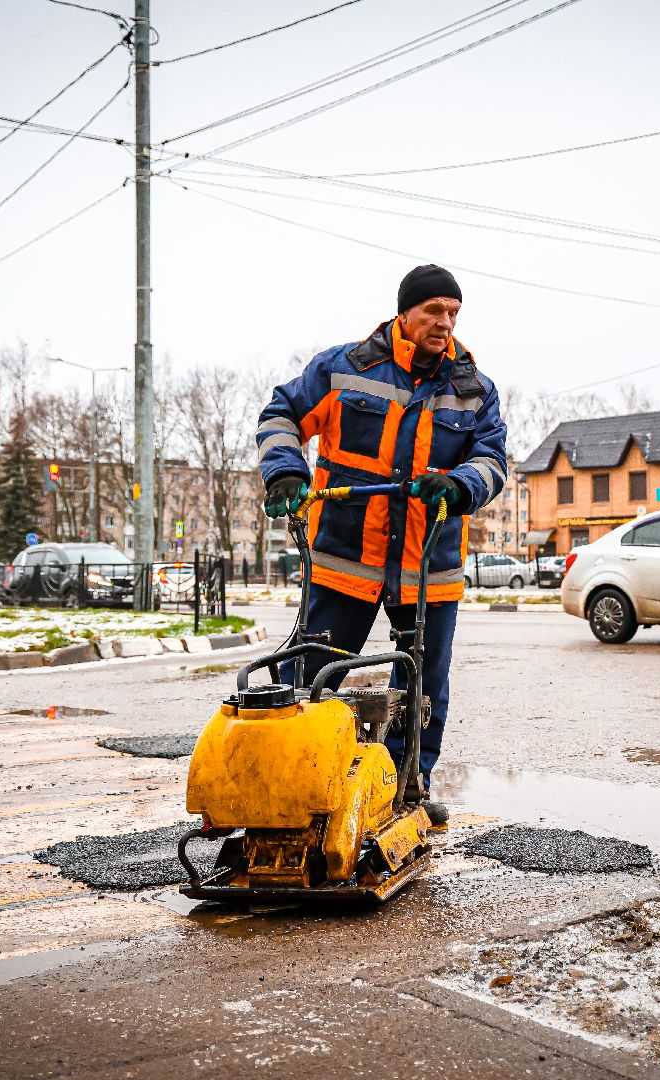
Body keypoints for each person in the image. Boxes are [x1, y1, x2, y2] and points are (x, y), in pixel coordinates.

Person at [256, 265, 508, 825]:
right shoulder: (345, 368)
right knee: (310, 674)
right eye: (434, 312)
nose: (446, 324)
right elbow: (282, 415)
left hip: (427, 566)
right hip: (347, 556)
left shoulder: (475, 391)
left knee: (422, 684)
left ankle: (405, 788)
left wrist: (461, 484)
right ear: (405, 314)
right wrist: (284, 473)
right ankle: (290, 780)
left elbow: (492, 462)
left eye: (454, 314)